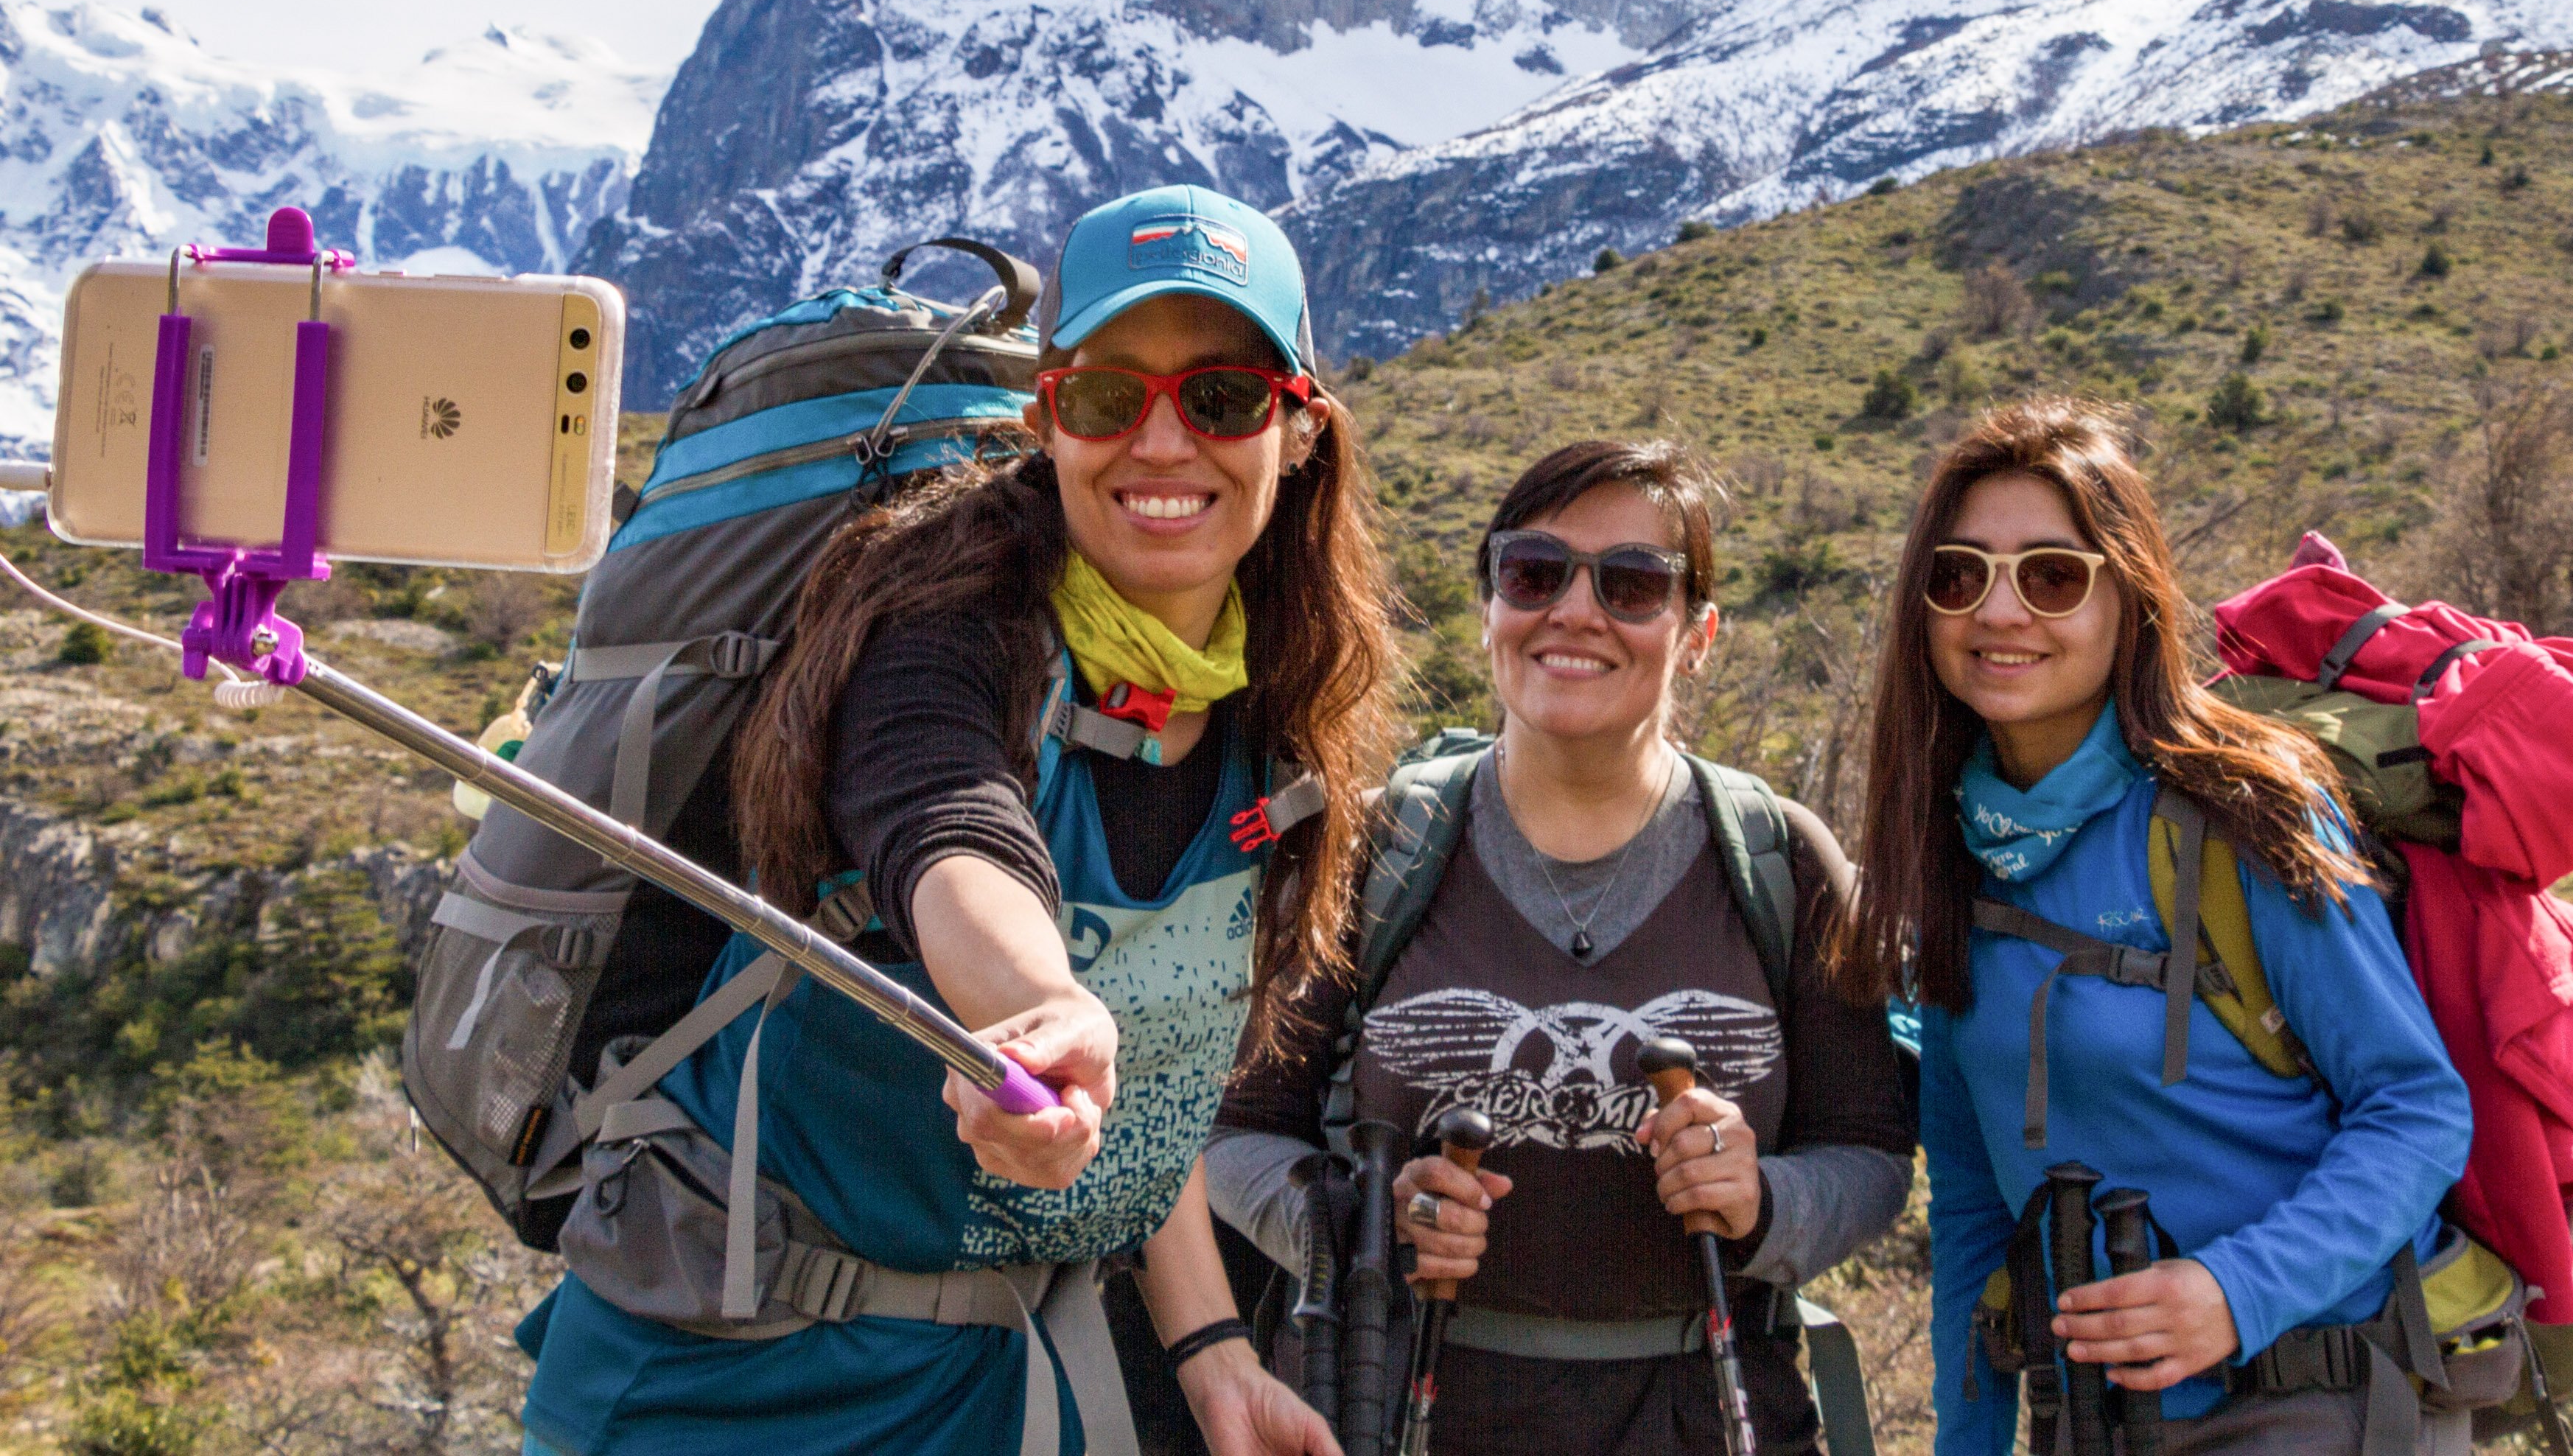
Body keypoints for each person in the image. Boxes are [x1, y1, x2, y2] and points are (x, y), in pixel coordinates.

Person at [518, 186, 1401, 1456]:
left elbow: (1141, 1096)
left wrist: (1212, 1359)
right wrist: (1040, 1007)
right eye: (1107, 397)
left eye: (1220, 398)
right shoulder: (932, 635)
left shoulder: (1271, 738)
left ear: (1298, 429)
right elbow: (952, 828)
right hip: (705, 1380)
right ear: (1049, 422)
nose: (1162, 445)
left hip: (982, 1387)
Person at [1206, 438, 1914, 1456]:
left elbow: (1873, 1152)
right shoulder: (1370, 850)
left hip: (1709, 1418)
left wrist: (1766, 1200)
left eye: (1632, 585)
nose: (1575, 613)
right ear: (1491, 604)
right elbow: (1233, 1134)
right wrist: (1362, 1215)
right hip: (1393, 1414)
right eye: (1536, 573)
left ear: (1697, 633)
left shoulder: (1781, 860)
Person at [1836, 399, 2476, 1456]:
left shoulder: (2239, 811)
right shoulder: (1950, 852)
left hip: (2315, 1405)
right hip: (2086, 1422)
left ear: (2127, 600)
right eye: (1959, 576)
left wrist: (2233, 1292)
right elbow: (1968, 1212)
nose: (1999, 612)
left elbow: (2414, 1110)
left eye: (2050, 575)